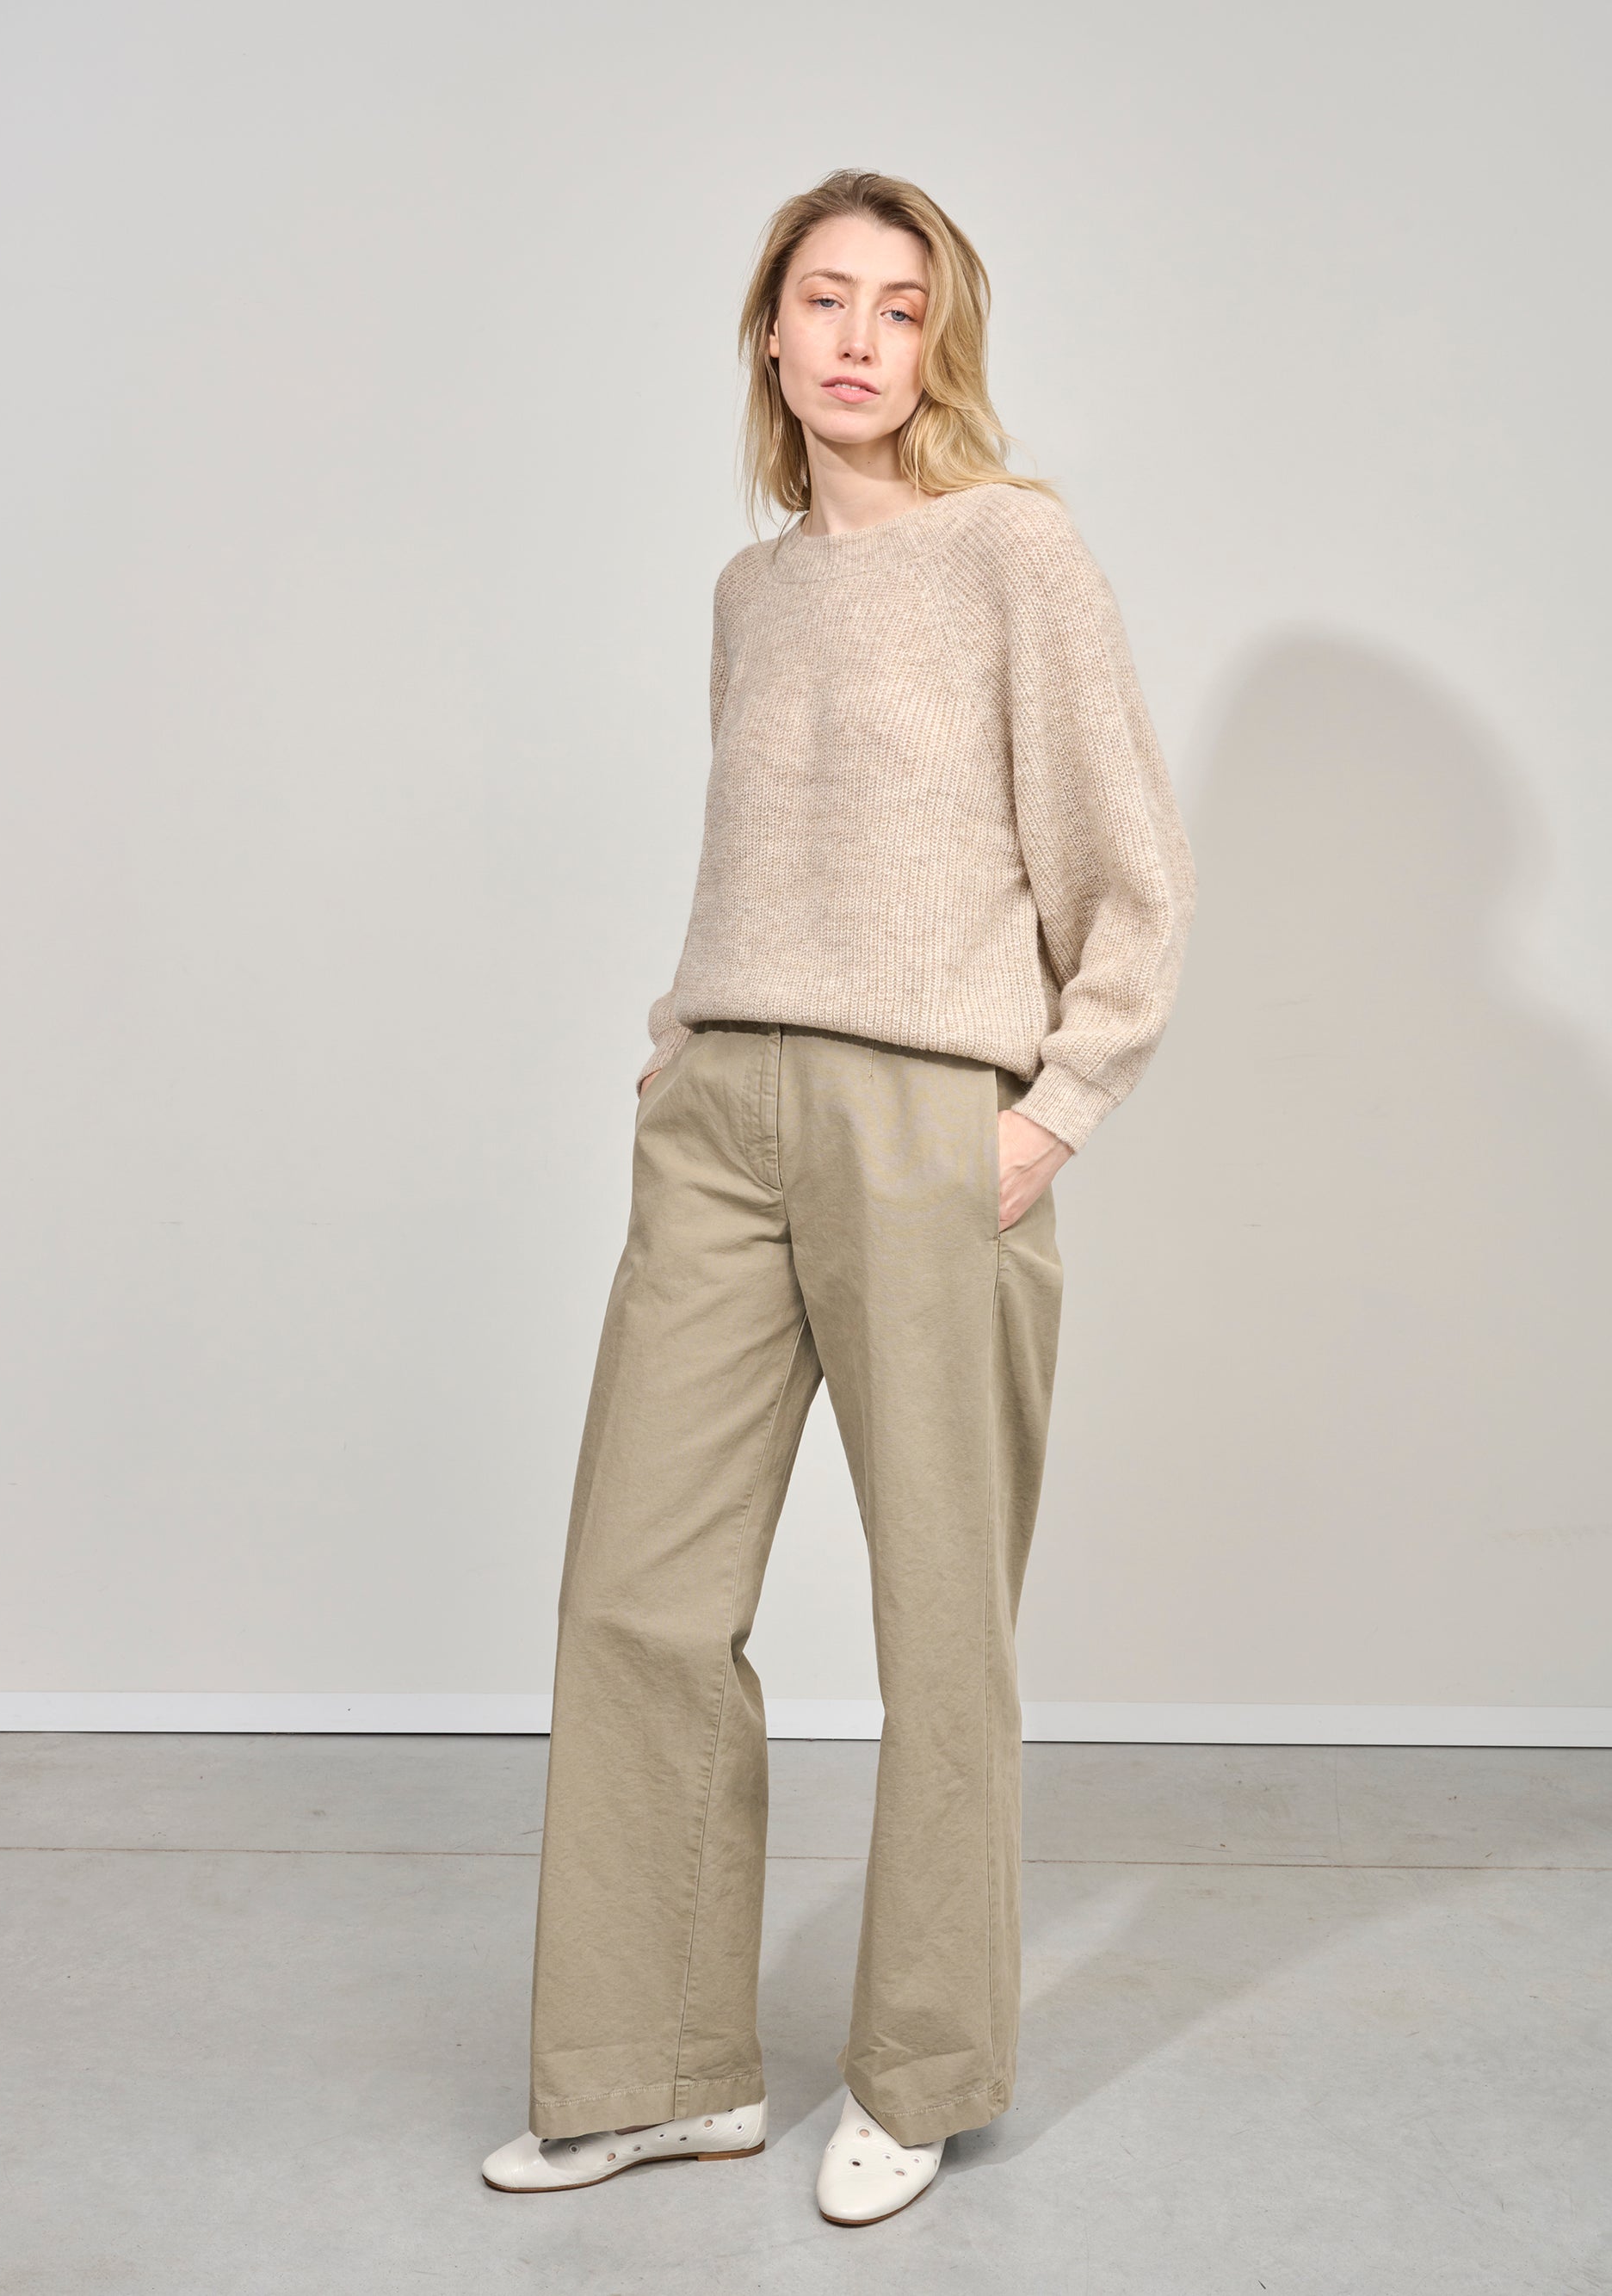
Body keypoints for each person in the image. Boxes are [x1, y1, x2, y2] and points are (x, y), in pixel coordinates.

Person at [482, 166, 1195, 2227]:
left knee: (938, 1615)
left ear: (937, 340)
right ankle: (656, 2068)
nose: (860, 336)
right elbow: (772, 846)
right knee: (638, 1589)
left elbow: (1124, 863)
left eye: (899, 303)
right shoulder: (753, 589)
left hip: (926, 1117)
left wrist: (1054, 1105)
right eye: (825, 298)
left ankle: (921, 2066)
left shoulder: (1012, 551)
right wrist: (680, 1038)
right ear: (771, 334)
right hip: (725, 1108)